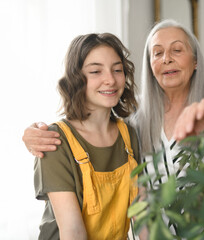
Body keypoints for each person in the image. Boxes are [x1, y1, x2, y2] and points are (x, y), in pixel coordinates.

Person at [23, 19, 204, 233]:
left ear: (195, 62)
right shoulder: (135, 123)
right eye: (157, 53)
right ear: (150, 66)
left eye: (177, 50)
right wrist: (33, 134)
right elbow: (87, 128)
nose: (167, 59)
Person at [33, 33, 140, 239]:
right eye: (95, 71)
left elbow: (142, 215)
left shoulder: (128, 134)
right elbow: (73, 231)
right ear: (76, 79)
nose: (110, 79)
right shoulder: (55, 140)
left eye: (117, 70)